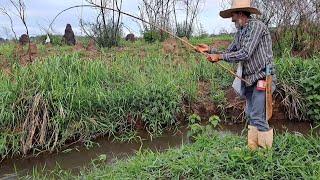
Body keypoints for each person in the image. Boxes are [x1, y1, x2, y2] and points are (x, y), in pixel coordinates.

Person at [196, 0, 275, 150]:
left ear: (240, 14)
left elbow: (245, 53)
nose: (232, 19)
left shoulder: (256, 26)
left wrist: (219, 57)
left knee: (258, 116)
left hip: (263, 77)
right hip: (250, 79)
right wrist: (210, 50)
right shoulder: (240, 32)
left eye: (233, 15)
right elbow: (229, 51)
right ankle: (253, 149)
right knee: (251, 115)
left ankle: (266, 154)